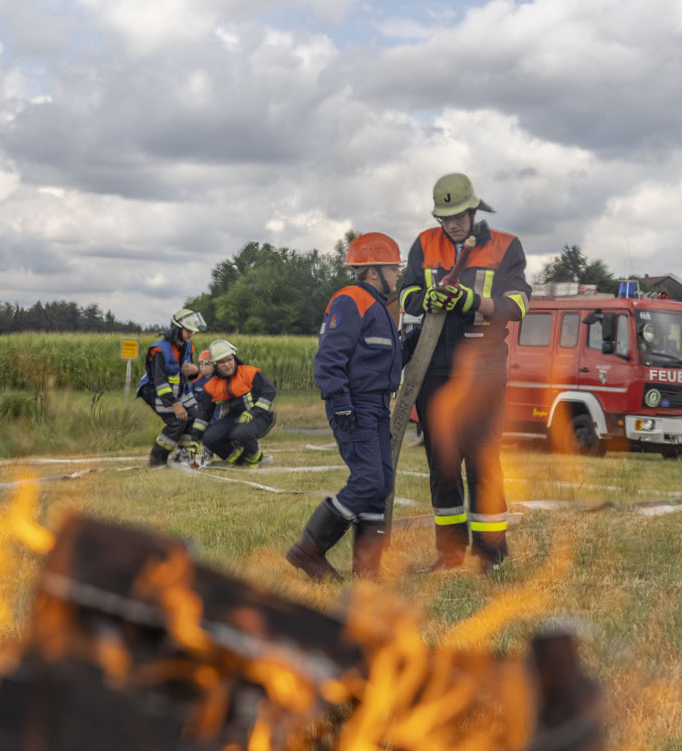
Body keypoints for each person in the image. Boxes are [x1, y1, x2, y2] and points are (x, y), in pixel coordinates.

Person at [398, 173, 531, 572]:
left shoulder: (506, 245)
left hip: (483, 369)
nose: (453, 223)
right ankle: (451, 554)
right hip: (434, 368)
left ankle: (491, 554)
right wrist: (427, 298)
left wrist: (473, 301)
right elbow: (405, 294)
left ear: (474, 209)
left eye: (459, 215)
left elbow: (519, 305)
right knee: (442, 464)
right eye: (446, 217)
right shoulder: (423, 243)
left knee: (483, 461)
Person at [286, 232, 404, 580]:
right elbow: (329, 357)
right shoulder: (351, 300)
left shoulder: (379, 309)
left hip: (378, 406)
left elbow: (385, 359)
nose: (397, 275)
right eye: (393, 269)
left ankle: (367, 570)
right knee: (369, 480)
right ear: (373, 272)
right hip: (357, 405)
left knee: (380, 484)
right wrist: (340, 403)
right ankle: (309, 550)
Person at [137, 308, 206, 467]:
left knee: (195, 417)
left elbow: (186, 374)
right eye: (188, 330)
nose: (191, 334)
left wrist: (195, 371)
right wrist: (175, 404)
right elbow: (160, 381)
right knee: (177, 421)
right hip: (154, 390)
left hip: (178, 390)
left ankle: (182, 456)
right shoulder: (159, 350)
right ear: (177, 328)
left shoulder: (189, 346)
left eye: (193, 331)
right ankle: (157, 459)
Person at [197, 338, 277, 468]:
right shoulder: (212, 386)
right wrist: (194, 439)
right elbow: (204, 415)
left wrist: (253, 412)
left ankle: (257, 458)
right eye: (222, 362)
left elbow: (270, 391)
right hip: (233, 418)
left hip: (261, 416)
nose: (227, 364)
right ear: (215, 365)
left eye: (229, 359)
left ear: (234, 358)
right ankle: (240, 461)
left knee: (240, 433)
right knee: (209, 438)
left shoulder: (250, 373)